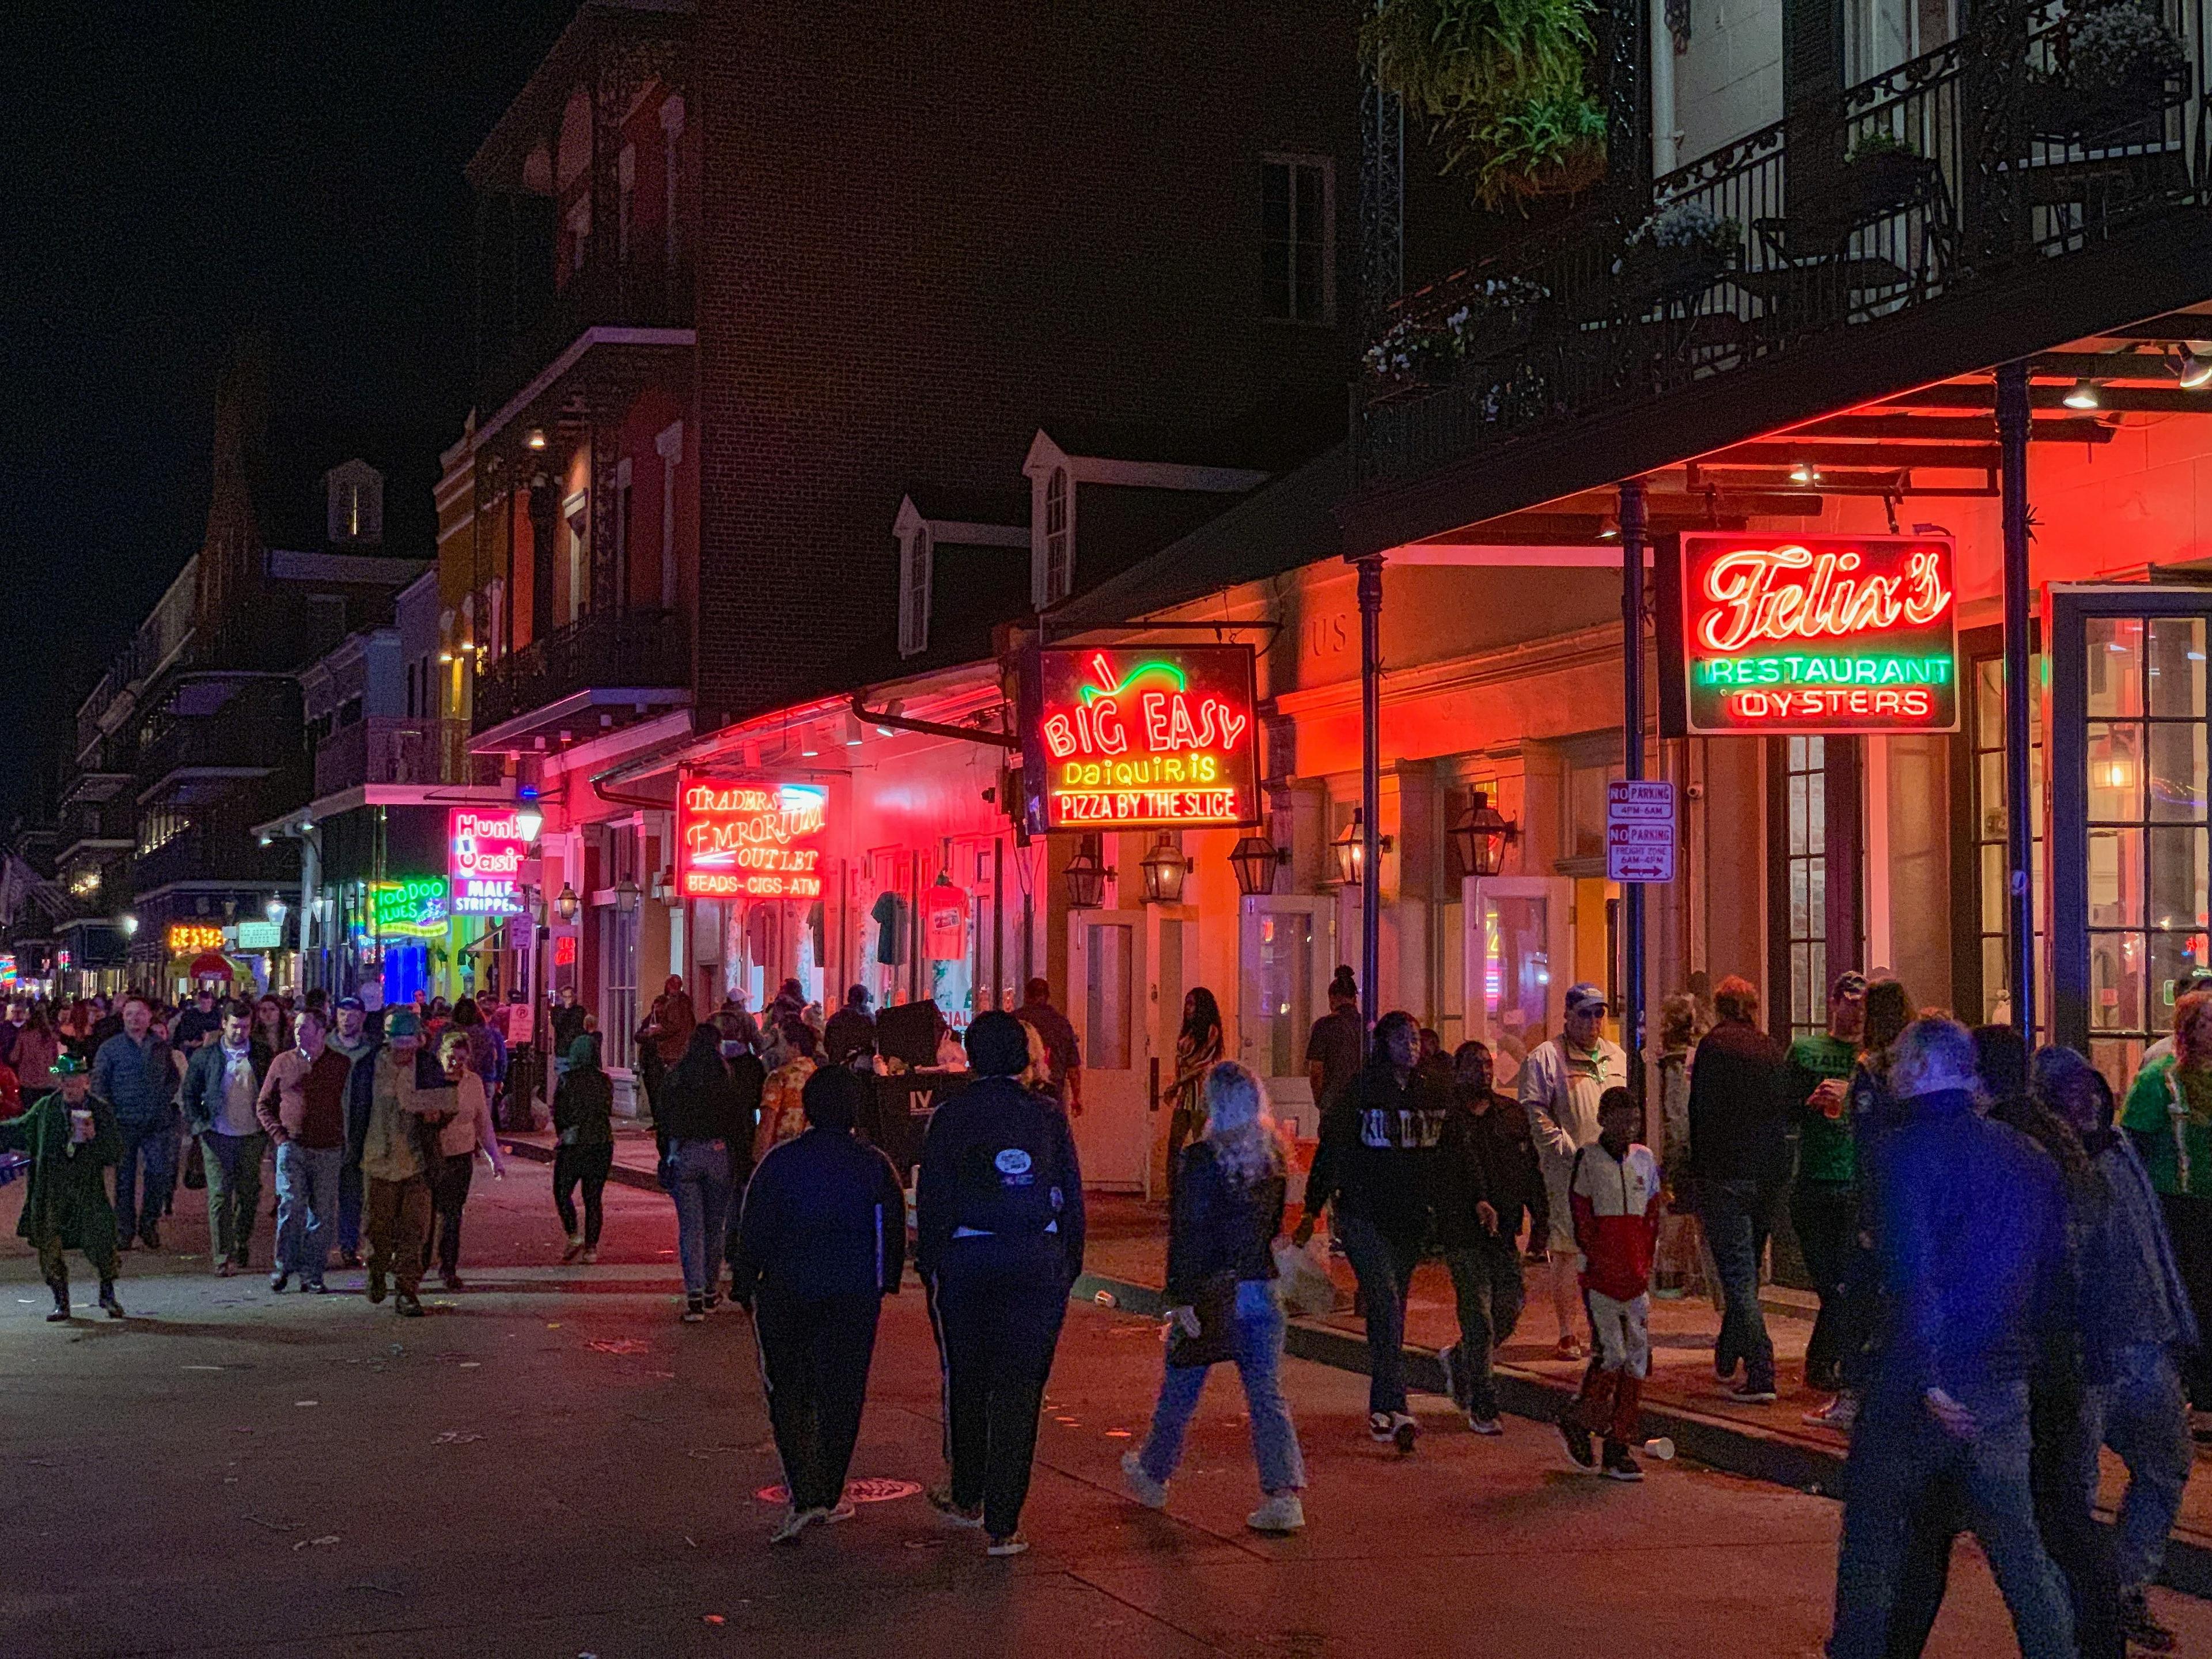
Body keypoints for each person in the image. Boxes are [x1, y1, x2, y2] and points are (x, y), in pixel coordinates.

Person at [1825, 1018, 2077, 1659]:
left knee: (1875, 1544)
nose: (1893, 1075)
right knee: (2018, 1547)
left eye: (1901, 1063)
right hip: (2002, 1375)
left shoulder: (1901, 1151)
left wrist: (1927, 1371)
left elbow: (1910, 1268)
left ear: (1920, 1068)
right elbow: (2051, 1275)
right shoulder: (2028, 1157)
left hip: (1920, 1379)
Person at [2042, 1046, 2196, 1654]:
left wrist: (2176, 1324)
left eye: (2092, 1091)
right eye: (2072, 1094)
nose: (2088, 1103)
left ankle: (2124, 1588)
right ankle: (2081, 1607)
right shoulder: (2055, 1166)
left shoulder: (2121, 1151)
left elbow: (2152, 1242)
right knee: (2074, 1490)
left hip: (2145, 1345)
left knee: (2165, 1464)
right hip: (2092, 1354)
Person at [915, 1010, 1086, 1556]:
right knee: (1019, 1387)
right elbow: (1072, 1195)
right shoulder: (1046, 1116)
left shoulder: (950, 1116)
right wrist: (1066, 1264)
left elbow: (933, 1199)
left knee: (967, 1377)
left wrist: (931, 1262)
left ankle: (968, 1492)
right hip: (1035, 1258)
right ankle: (1004, 1520)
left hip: (967, 1258)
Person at [1122, 1060, 1307, 1533]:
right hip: (1260, 1284)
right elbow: (1270, 1228)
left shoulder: (1202, 1159)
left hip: (1213, 1287)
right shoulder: (1272, 1156)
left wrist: (1180, 1293)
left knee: (1182, 1384)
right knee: (1266, 1392)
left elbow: (1190, 1232)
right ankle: (1283, 1494)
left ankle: (1153, 1472)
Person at [731, 1065, 909, 1544]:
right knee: (842, 1391)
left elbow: (754, 1227)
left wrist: (744, 1282)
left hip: (787, 1290)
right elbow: (892, 1229)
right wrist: (884, 1282)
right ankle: (827, 1487)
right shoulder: (873, 1164)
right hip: (852, 1293)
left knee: (789, 1389)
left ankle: (805, 1487)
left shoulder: (781, 1163)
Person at [1296, 1009, 1446, 1452]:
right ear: (1384, 1044)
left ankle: (1384, 1403)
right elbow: (1332, 1149)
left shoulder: (1430, 1093)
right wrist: (1311, 1208)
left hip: (1409, 1217)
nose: (1412, 1048)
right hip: (1363, 1213)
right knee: (1382, 1299)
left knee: (1392, 1308)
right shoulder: (1362, 1092)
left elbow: (1446, 1154)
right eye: (1402, 1040)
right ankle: (1392, 1407)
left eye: (1416, 1040)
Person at [1687, 975, 1789, 1404]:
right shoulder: (1769, 1048)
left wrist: (1694, 1172)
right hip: (1767, 1174)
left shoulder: (1713, 1048)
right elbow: (1781, 1108)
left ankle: (1762, 1368)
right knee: (1744, 1268)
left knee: (1738, 1275)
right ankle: (1729, 1351)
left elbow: (1701, 1114)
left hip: (1726, 1173)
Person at [1519, 982, 1628, 1358]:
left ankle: (1605, 1328)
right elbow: (1534, 1111)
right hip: (1567, 1171)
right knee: (1566, 1249)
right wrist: (1565, 1149)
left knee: (1609, 1248)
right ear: (1567, 1015)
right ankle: (1568, 1331)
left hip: (1610, 1170)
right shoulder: (1545, 1059)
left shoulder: (1616, 1057)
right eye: (1585, 1013)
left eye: (1599, 1012)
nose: (1594, 1021)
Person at [1559, 1086, 1663, 1481]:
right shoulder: (1589, 1159)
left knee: (1636, 1359)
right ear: (1604, 1119)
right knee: (1612, 1355)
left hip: (1634, 1277)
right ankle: (1581, 1419)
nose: (1628, 1128)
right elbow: (1581, 1215)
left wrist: (1644, 1263)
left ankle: (1618, 1444)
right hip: (1602, 1277)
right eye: (1620, 1119)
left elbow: (1651, 1215)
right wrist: (1598, 1259)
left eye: (1633, 1120)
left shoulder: (1644, 1160)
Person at [2120, 986, 2212, 1429]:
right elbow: (2133, 1141)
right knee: (2190, 1294)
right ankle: (2198, 1390)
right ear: (2187, 1030)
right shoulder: (2161, 1078)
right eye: (2205, 1023)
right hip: (2179, 1205)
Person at [1435, 1040, 1537, 1433]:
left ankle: (1460, 1360)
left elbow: (1527, 1170)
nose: (1483, 1071)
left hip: (1504, 1231)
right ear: (1458, 1071)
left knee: (1508, 1309)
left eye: (1487, 1064)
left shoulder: (1509, 1116)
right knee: (1477, 1316)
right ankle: (1484, 1401)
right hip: (1463, 1231)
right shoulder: (1450, 1121)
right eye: (1474, 1065)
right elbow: (1446, 1176)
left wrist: (1538, 1216)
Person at [1783, 971, 1866, 1394]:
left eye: (1861, 1003)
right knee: (1829, 1279)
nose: (1855, 1011)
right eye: (1849, 1002)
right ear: (1834, 1002)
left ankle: (1825, 1365)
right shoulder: (1806, 1051)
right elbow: (1780, 1111)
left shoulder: (1871, 1059)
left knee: (1846, 1281)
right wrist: (1807, 1104)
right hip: (1815, 1180)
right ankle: (1827, 1364)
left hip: (1854, 1181)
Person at [0, 1052, 123, 1320]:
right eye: (65, 1078)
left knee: (101, 1241)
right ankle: (61, 1300)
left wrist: (95, 1138)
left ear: (86, 1081)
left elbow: (115, 1152)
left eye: (75, 1078)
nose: (70, 1084)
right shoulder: (46, 1108)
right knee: (49, 1244)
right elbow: (19, 1129)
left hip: (87, 1189)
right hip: (52, 1189)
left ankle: (107, 1293)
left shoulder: (99, 1110)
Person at [257, 1007, 351, 1293]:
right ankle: (284, 1266)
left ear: (321, 1032)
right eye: (296, 1027)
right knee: (291, 1206)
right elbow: (264, 1104)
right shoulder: (283, 1063)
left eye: (305, 1028)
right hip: (293, 1148)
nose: (299, 1033)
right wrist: (280, 1137)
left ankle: (313, 1272)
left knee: (322, 1214)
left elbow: (351, 1104)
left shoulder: (340, 1064)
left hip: (328, 1148)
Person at [359, 1009, 444, 1317]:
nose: (405, 1052)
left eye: (411, 1045)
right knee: (378, 1227)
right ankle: (377, 1270)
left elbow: (445, 1101)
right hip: (378, 1159)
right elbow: (355, 1110)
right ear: (388, 1041)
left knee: (414, 1230)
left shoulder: (428, 1066)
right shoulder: (369, 1067)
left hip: (417, 1161)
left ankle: (408, 1290)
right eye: (400, 1046)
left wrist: (438, 1116)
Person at [180, 999, 271, 1276]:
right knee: (220, 1195)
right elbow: (190, 1093)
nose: (239, 1033)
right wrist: (199, 1125)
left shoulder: (262, 1054)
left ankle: (241, 1240)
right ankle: (222, 1255)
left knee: (249, 1193)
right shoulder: (207, 1057)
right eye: (234, 1026)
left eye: (244, 1027)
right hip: (217, 1133)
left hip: (252, 1135)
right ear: (224, 1025)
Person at [659, 1023, 741, 1321]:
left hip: (686, 1151)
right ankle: (710, 1289)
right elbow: (735, 1120)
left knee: (691, 1229)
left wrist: (666, 1154)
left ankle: (694, 1295)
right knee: (714, 1226)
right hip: (718, 1152)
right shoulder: (724, 1076)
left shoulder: (678, 1077)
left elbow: (664, 1119)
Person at [93, 995, 176, 1252]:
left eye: (139, 1014)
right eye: (129, 1014)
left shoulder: (160, 1047)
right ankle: (124, 1230)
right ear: (123, 1017)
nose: (134, 1019)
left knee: (158, 1173)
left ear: (149, 1017)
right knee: (124, 1179)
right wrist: (106, 1115)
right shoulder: (111, 1048)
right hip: (123, 1123)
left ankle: (149, 1223)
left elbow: (173, 1078)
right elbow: (99, 1085)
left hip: (155, 1123)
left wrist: (163, 1101)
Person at [423, 1029, 505, 1289]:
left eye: (461, 1058)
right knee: (426, 1213)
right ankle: (420, 1261)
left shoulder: (473, 1083)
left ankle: (449, 1267)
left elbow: (483, 1123)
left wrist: (495, 1158)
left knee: (452, 1214)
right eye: (451, 1056)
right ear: (441, 1054)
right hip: (432, 1155)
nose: (455, 1063)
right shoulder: (430, 1080)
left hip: (460, 1156)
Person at [1651, 992, 1711, 1300]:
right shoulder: (1687, 1058)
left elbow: (1676, 1120)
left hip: (1684, 1153)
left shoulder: (1675, 1062)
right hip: (1699, 1151)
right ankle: (1690, 1277)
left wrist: (1672, 1165)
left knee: (1677, 1217)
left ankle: (1673, 1276)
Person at [552, 1032, 614, 1264]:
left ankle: (574, 1233)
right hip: (601, 1141)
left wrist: (563, 1133)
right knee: (593, 1197)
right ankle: (591, 1248)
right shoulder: (605, 1080)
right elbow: (606, 1109)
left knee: (562, 1191)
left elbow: (560, 1113)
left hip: (575, 1143)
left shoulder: (567, 1079)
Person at [328, 996, 379, 1268]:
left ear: (362, 1017)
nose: (348, 1019)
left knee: (353, 1195)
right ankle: (318, 1247)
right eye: (343, 1013)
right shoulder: (323, 1048)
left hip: (361, 1132)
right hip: (328, 1133)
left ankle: (349, 1246)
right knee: (322, 1197)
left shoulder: (372, 1052)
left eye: (353, 1014)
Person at [1160, 987, 1224, 1173]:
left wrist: (1176, 1084)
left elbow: (1201, 1064)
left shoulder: (1212, 1031)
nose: (1187, 1009)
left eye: (1192, 1004)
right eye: (1187, 1004)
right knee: (1175, 1145)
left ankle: (1201, 1190)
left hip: (1200, 1096)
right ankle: (1173, 1192)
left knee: (1200, 1145)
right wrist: (1178, 1083)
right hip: (1186, 1096)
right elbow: (1181, 1061)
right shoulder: (1188, 1033)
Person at [1014, 977, 1082, 1112]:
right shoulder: (1062, 1024)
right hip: (1054, 1091)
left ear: (1026, 995)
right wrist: (1076, 1098)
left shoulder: (1015, 1021)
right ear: (1047, 996)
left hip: (1020, 1091)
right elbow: (1073, 1067)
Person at [754, 1019, 819, 1160]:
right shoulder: (819, 1075)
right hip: (813, 1154)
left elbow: (767, 1123)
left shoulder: (779, 1077)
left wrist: (758, 1160)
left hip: (782, 1155)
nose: (778, 1050)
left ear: (795, 1047)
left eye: (782, 1044)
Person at [1304, 968, 1363, 1115]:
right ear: (1355, 999)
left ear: (1332, 999)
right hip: (1362, 1101)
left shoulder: (1324, 1026)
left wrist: (1320, 1100)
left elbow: (1316, 1070)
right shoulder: (1366, 1026)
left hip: (1334, 1102)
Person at [12, 1002, 61, 1099]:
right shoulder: (51, 1037)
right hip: (48, 1082)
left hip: (28, 1082)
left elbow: (14, 1057)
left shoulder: (24, 1036)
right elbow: (56, 1059)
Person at [822, 984, 877, 1067]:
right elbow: (873, 1045)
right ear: (865, 999)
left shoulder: (836, 1018)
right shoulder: (869, 1020)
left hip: (837, 1065)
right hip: (861, 1068)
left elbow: (827, 1043)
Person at [172, 987, 222, 1054]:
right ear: (200, 1002)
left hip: (210, 1048)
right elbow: (182, 1031)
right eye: (204, 1003)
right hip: (192, 1048)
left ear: (212, 1002)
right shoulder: (191, 1015)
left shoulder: (216, 1015)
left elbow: (218, 1030)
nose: (206, 1005)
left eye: (208, 1002)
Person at [550, 986, 588, 1057]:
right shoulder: (556, 1010)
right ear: (561, 997)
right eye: (565, 997)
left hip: (576, 1048)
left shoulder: (580, 1010)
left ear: (573, 998)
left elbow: (578, 1024)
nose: (567, 999)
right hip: (562, 1048)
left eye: (569, 997)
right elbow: (556, 1023)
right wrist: (566, 1009)